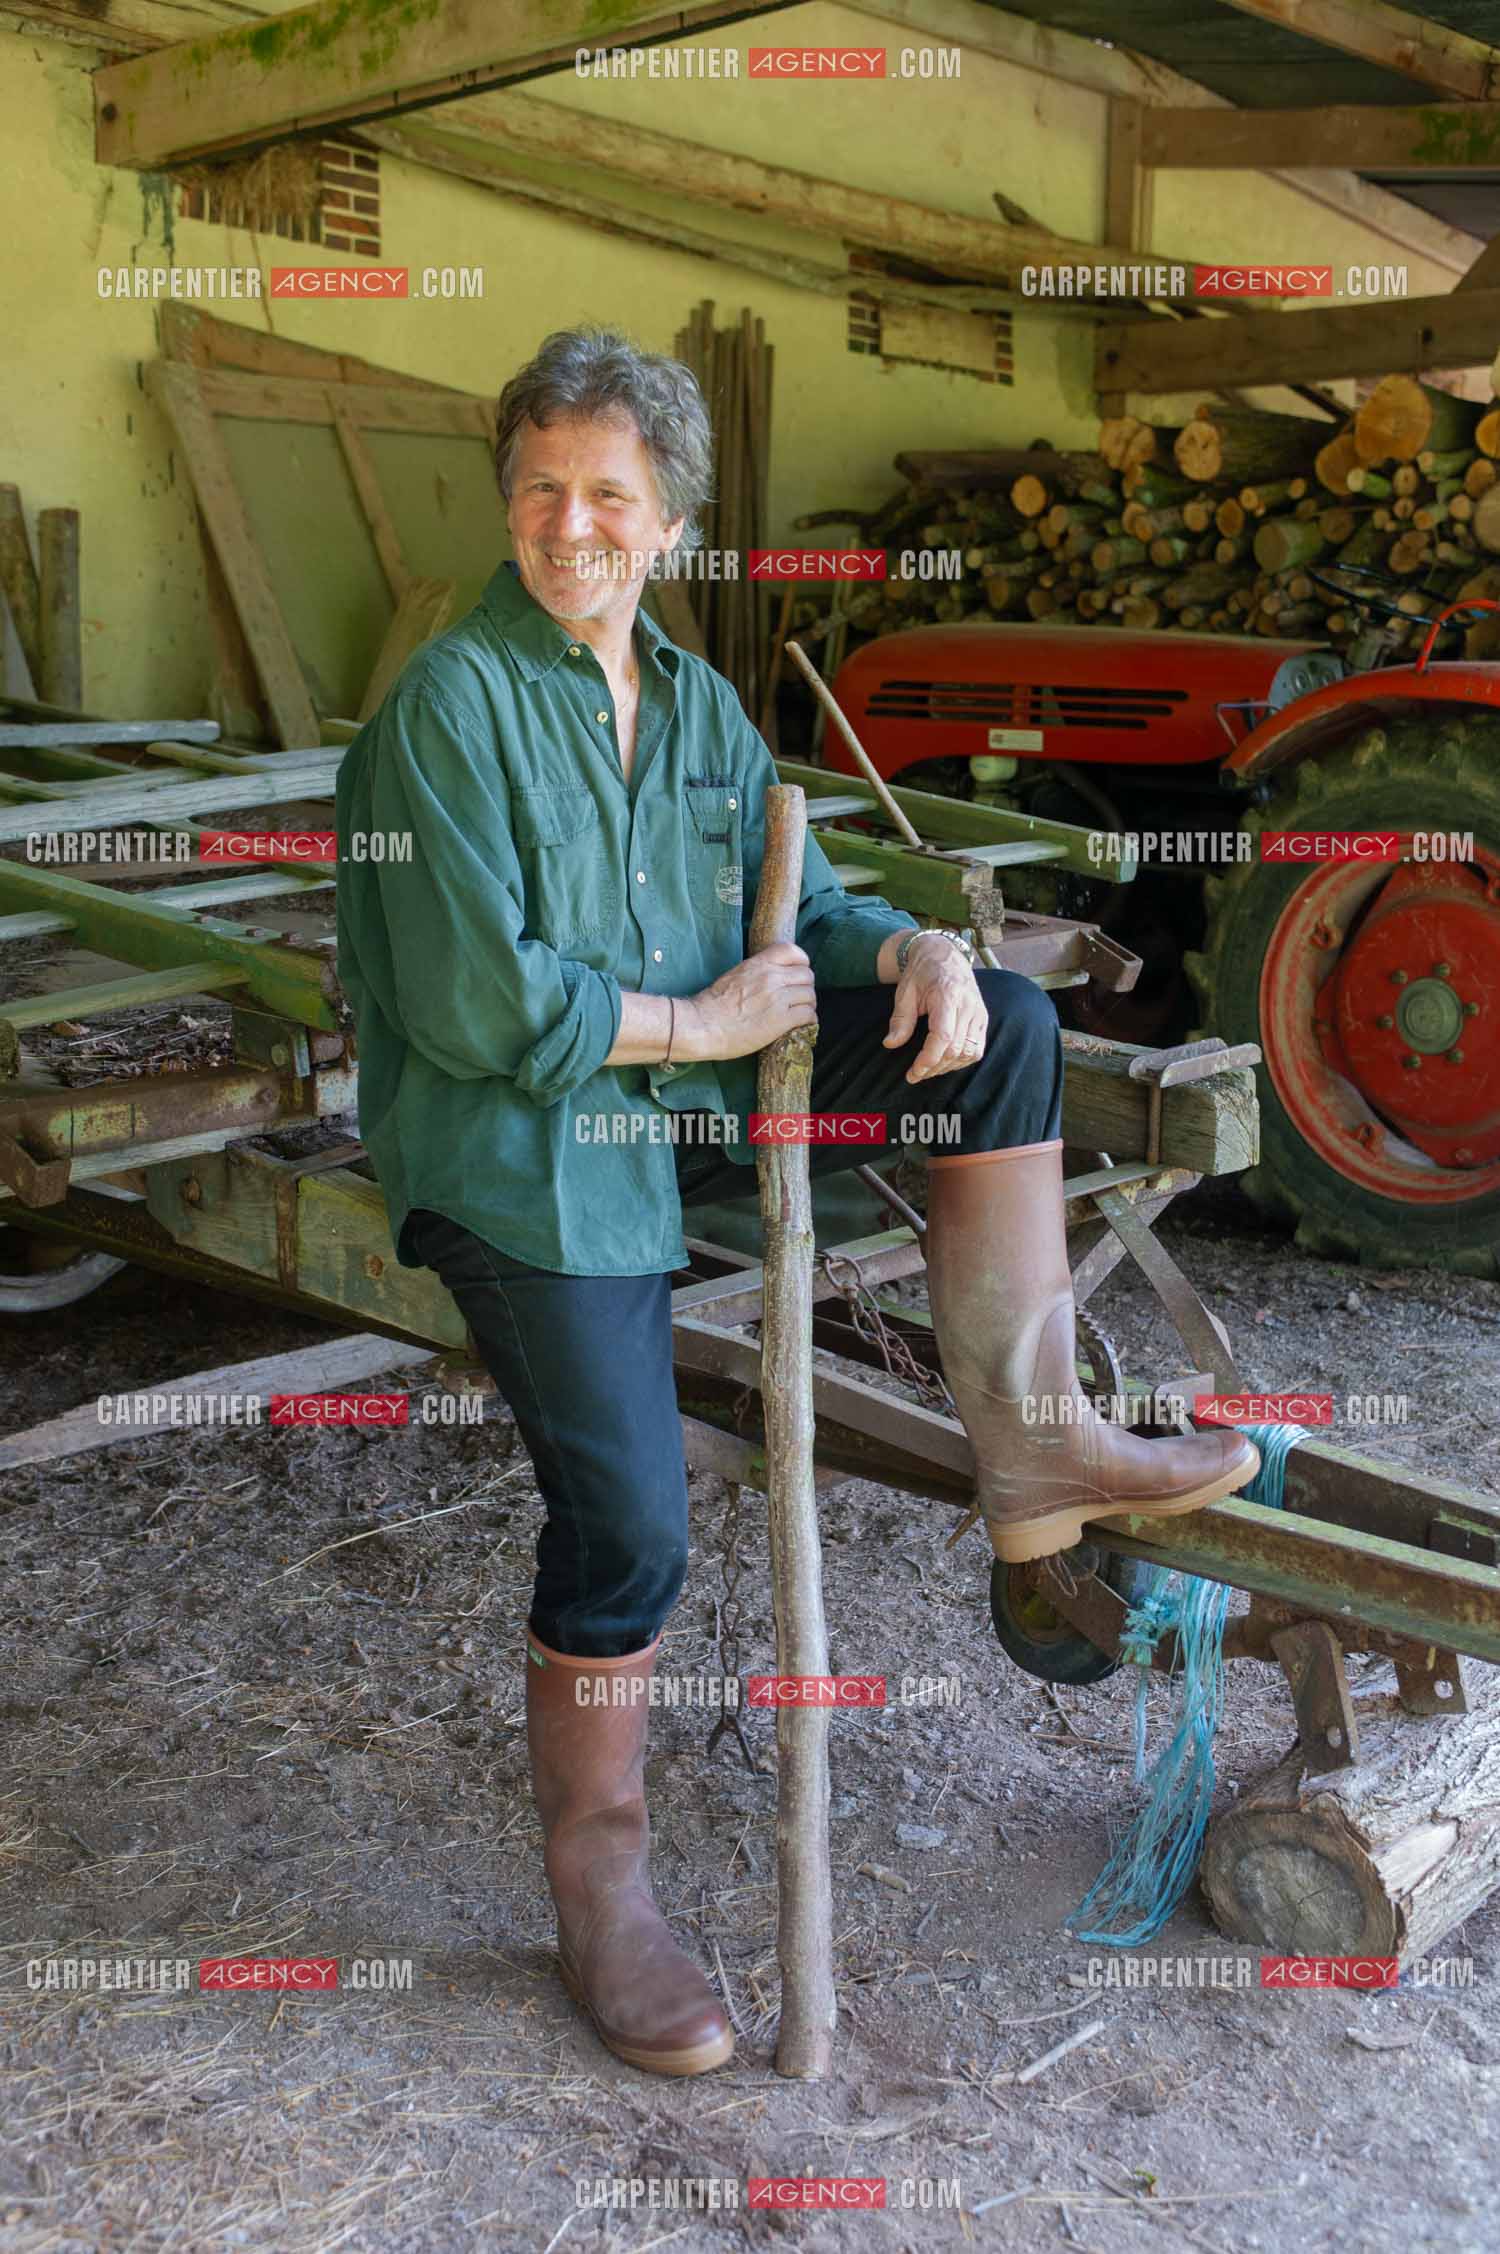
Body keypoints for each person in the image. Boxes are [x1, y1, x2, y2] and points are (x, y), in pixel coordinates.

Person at [334, 326, 1258, 2080]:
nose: (570, 523)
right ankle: (602, 1889)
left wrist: (908, 945)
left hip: (676, 1103)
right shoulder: (448, 709)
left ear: (671, 518)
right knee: (635, 1528)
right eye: (540, 487)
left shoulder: (688, 702)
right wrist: (704, 1021)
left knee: (1006, 1036)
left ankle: (1037, 1435)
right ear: (507, 502)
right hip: (519, 1152)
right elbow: (480, 1006)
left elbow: (802, 899)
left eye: (609, 492)